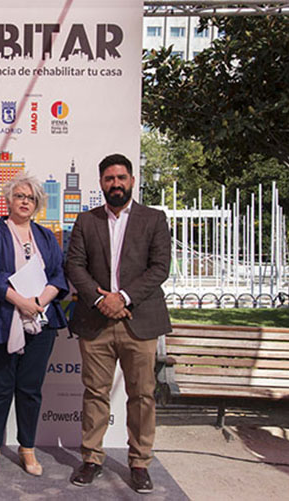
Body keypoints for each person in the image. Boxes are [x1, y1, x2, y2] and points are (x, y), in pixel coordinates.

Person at [65, 153, 171, 494]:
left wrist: (121, 298)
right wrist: (100, 300)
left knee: (142, 395)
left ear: (132, 181)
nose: (116, 184)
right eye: (109, 178)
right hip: (95, 321)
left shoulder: (153, 219)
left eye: (121, 177)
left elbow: (160, 268)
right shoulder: (86, 220)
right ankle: (92, 458)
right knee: (95, 393)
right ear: (101, 183)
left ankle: (139, 462)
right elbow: (75, 266)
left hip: (139, 320)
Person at [0, 172, 68, 477]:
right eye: (19, 196)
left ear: (38, 203)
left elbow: (58, 273)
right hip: (2, 322)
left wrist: (40, 301)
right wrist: (21, 301)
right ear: (9, 200)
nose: (24, 202)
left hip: (41, 322)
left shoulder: (45, 236)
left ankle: (27, 449)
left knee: (30, 390)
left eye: (30, 197)